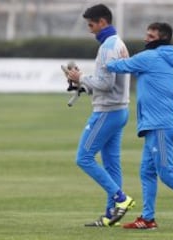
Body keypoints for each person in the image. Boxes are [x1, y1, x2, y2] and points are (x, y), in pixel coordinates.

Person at [105, 22, 173, 230]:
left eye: (150, 36)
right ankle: (147, 219)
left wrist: (105, 55)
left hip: (161, 126)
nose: (146, 38)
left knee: (166, 172)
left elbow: (117, 66)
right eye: (146, 34)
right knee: (147, 172)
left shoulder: (151, 57)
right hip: (157, 126)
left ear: (161, 39)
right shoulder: (166, 58)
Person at [66, 4, 135, 227]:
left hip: (107, 112)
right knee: (112, 164)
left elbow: (106, 83)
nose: (89, 29)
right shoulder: (119, 43)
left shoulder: (108, 47)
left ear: (103, 22)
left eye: (91, 24)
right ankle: (109, 214)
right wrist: (85, 86)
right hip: (120, 110)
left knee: (83, 158)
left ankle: (121, 199)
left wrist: (81, 78)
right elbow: (109, 83)